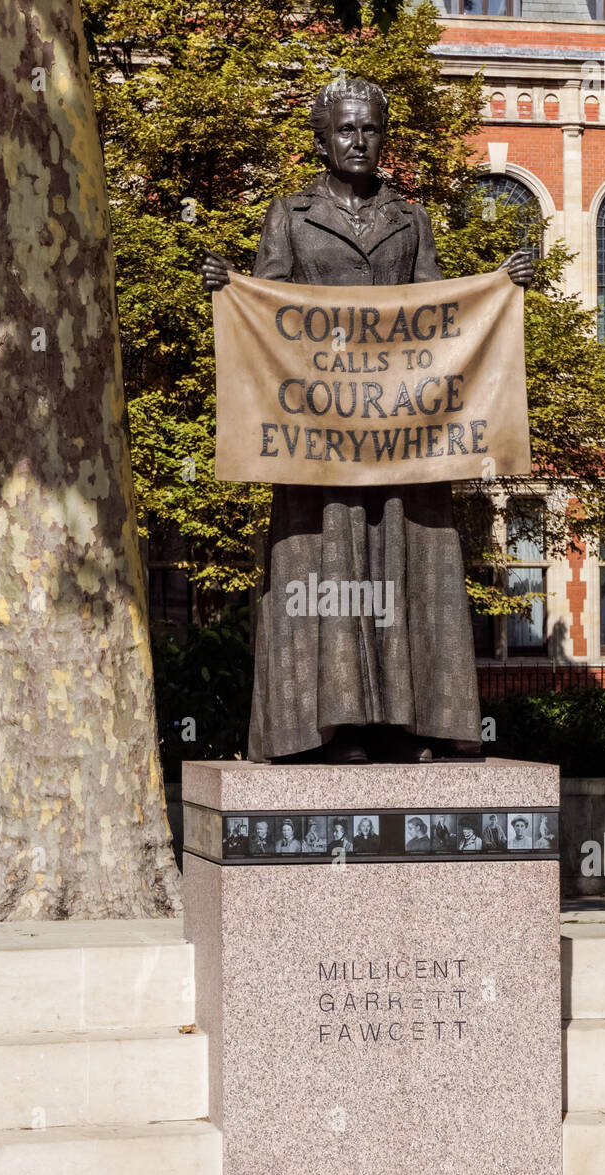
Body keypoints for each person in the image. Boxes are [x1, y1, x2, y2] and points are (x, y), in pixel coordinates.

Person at [202, 76, 532, 764]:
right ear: (322, 139)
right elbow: (270, 310)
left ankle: (408, 725)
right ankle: (326, 728)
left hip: (405, 434)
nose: (360, 141)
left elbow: (446, 315)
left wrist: (498, 287)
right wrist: (232, 289)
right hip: (318, 437)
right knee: (326, 564)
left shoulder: (410, 221)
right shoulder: (287, 216)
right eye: (346, 129)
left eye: (371, 129)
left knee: (409, 562)